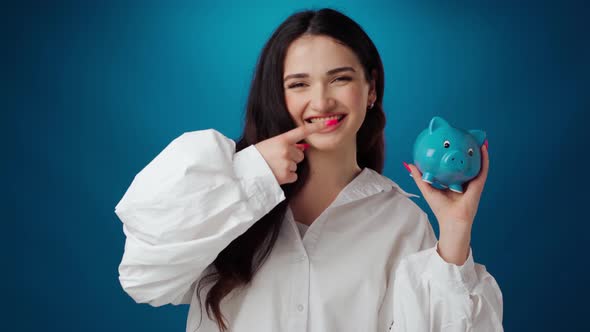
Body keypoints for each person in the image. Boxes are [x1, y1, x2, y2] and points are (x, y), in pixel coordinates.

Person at [114, 8, 503, 332]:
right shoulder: (219, 190)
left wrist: (454, 233)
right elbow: (143, 277)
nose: (321, 100)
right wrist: (252, 176)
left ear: (371, 88)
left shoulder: (401, 222)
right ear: (278, 95)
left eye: (340, 78)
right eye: (299, 84)